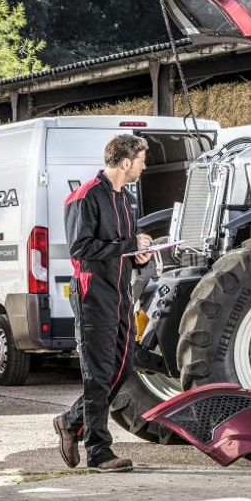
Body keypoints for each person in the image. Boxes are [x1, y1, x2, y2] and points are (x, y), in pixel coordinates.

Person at [53, 134, 153, 473]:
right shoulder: (85, 197)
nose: (144, 166)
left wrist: (138, 255)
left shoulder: (127, 199)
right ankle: (99, 452)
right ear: (125, 162)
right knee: (98, 375)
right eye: (141, 160)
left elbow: (123, 248)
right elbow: (80, 248)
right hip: (93, 294)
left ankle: (70, 422)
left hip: (121, 293)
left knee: (122, 369)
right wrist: (128, 245)